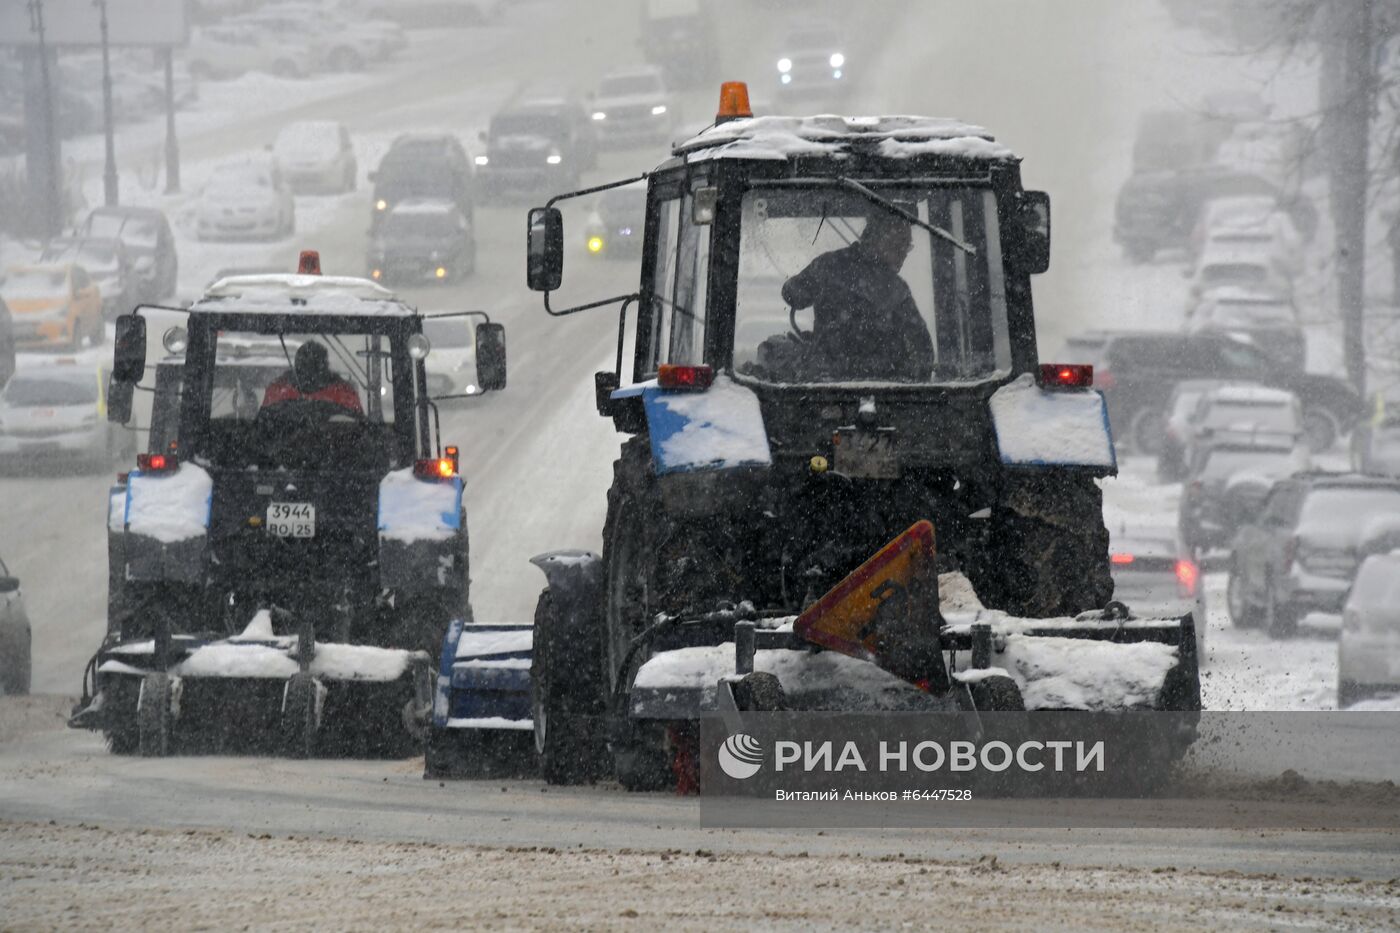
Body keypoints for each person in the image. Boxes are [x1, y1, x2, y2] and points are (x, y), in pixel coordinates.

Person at [780, 211, 935, 381]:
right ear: (874, 239)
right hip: (882, 388)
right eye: (897, 245)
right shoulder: (896, 289)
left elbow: (792, 294)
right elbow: (923, 350)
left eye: (907, 246)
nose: (903, 252)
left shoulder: (828, 265)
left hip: (828, 385)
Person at [261, 341, 363, 414]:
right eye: (306, 364)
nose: (310, 371)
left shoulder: (278, 390)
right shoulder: (344, 393)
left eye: (314, 364)